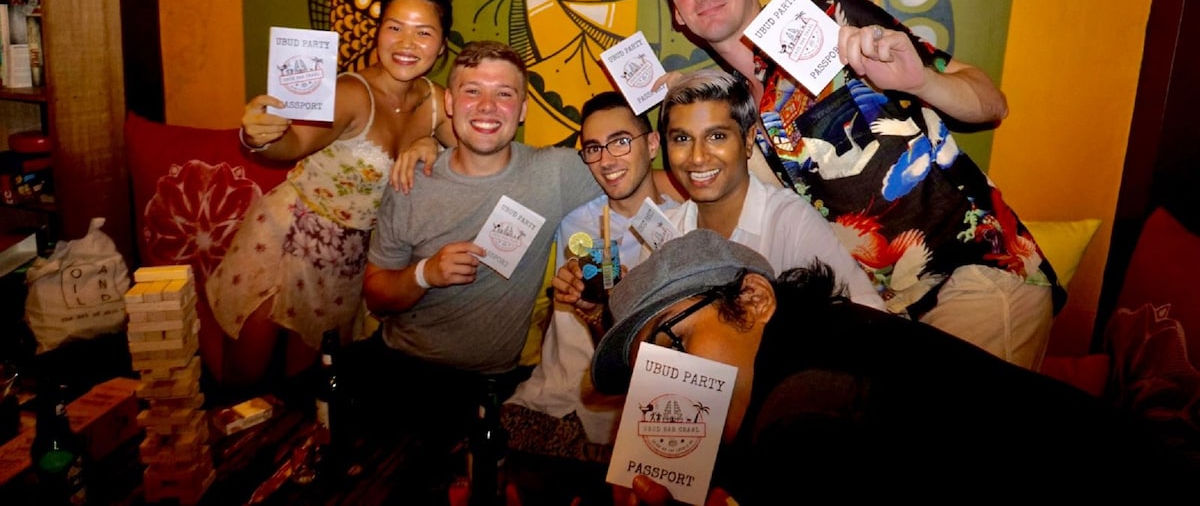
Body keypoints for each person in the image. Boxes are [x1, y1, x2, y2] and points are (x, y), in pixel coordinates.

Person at [654, 0, 1060, 369]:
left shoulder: (832, 19)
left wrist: (921, 82)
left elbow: (992, 103)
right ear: (677, 13)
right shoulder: (735, 108)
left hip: (974, 275)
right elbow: (704, 184)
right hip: (883, 313)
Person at [591, 230, 1199, 504]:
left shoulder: (805, 411)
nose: (666, 381)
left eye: (673, 343)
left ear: (753, 300)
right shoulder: (809, 337)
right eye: (650, 369)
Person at [203, 0, 458, 388]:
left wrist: (433, 145)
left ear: (442, 44)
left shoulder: (436, 103)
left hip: (349, 263)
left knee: (311, 393)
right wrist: (260, 135)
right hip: (286, 240)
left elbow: (476, 155)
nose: (406, 43)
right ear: (378, 32)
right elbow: (295, 143)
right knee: (245, 386)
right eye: (394, 27)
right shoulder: (350, 92)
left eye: (423, 32)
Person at [354, 40, 605, 446]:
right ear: (450, 103)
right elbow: (376, 293)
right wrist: (425, 274)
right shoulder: (412, 181)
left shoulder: (554, 173)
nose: (487, 106)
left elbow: (635, 177)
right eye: (473, 91)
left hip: (488, 385)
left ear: (522, 110)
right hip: (397, 366)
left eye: (504, 94)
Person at [501, 92, 683, 503]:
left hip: (627, 418)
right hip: (548, 400)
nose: (606, 160)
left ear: (652, 144)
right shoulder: (572, 215)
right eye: (594, 148)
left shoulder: (682, 228)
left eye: (621, 142)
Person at [655, 69, 884, 310]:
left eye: (717, 136)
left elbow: (868, 312)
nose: (698, 157)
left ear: (748, 139)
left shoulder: (789, 221)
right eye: (682, 139)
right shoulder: (663, 236)